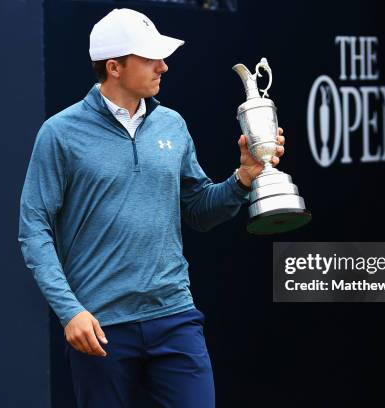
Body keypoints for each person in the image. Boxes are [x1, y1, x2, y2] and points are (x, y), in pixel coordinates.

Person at [18, 8, 285, 408]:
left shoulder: (173, 125)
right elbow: (33, 229)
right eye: (150, 59)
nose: (163, 66)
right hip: (101, 327)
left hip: (174, 316)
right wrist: (69, 311)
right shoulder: (59, 133)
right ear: (114, 68)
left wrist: (243, 179)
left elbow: (197, 209)